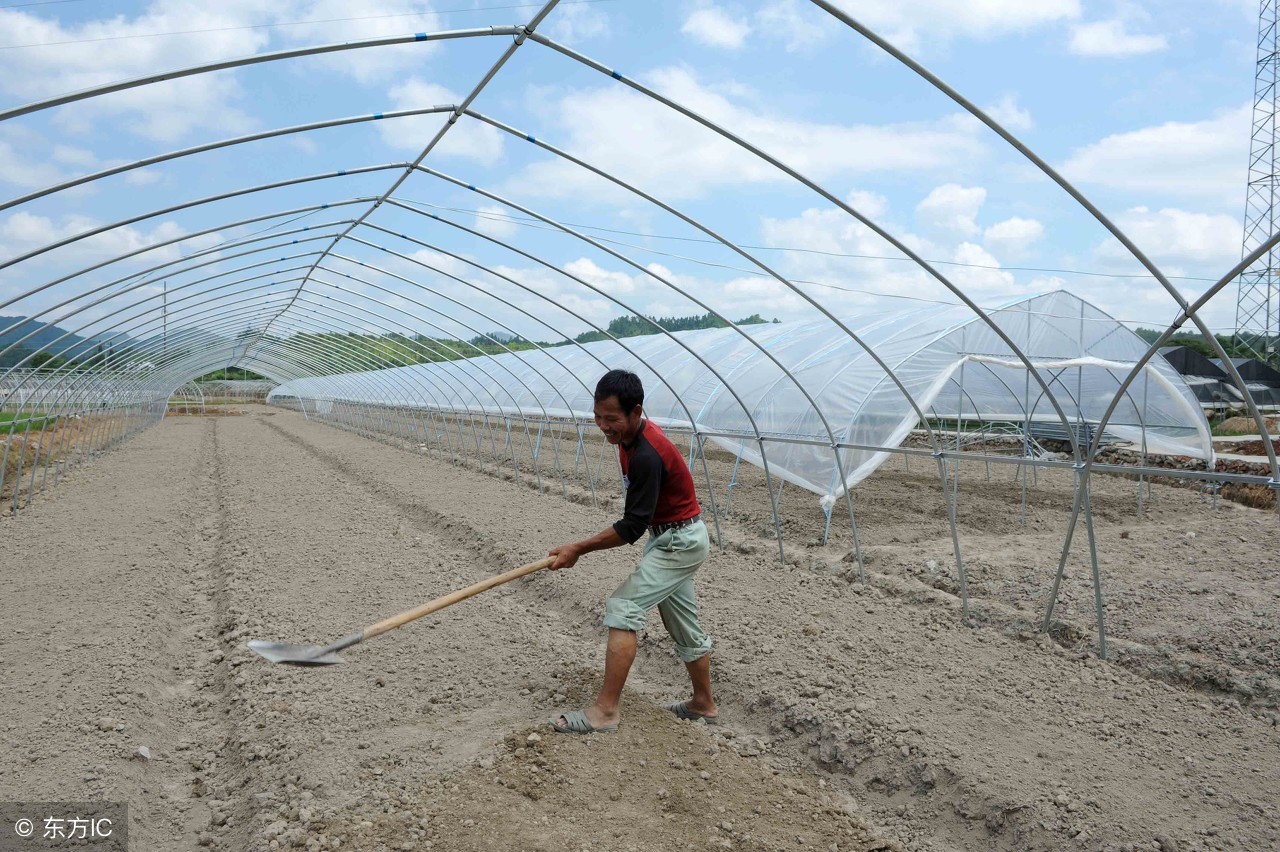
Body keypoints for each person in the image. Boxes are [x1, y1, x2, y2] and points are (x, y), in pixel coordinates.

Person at [548, 369, 717, 734]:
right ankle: (704, 704)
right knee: (683, 623)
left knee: (623, 607)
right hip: (672, 537)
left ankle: (605, 711)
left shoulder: (646, 454)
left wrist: (578, 547)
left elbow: (631, 527)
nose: (603, 425)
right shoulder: (628, 439)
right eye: (597, 417)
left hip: (679, 542)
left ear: (636, 411)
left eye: (611, 418)